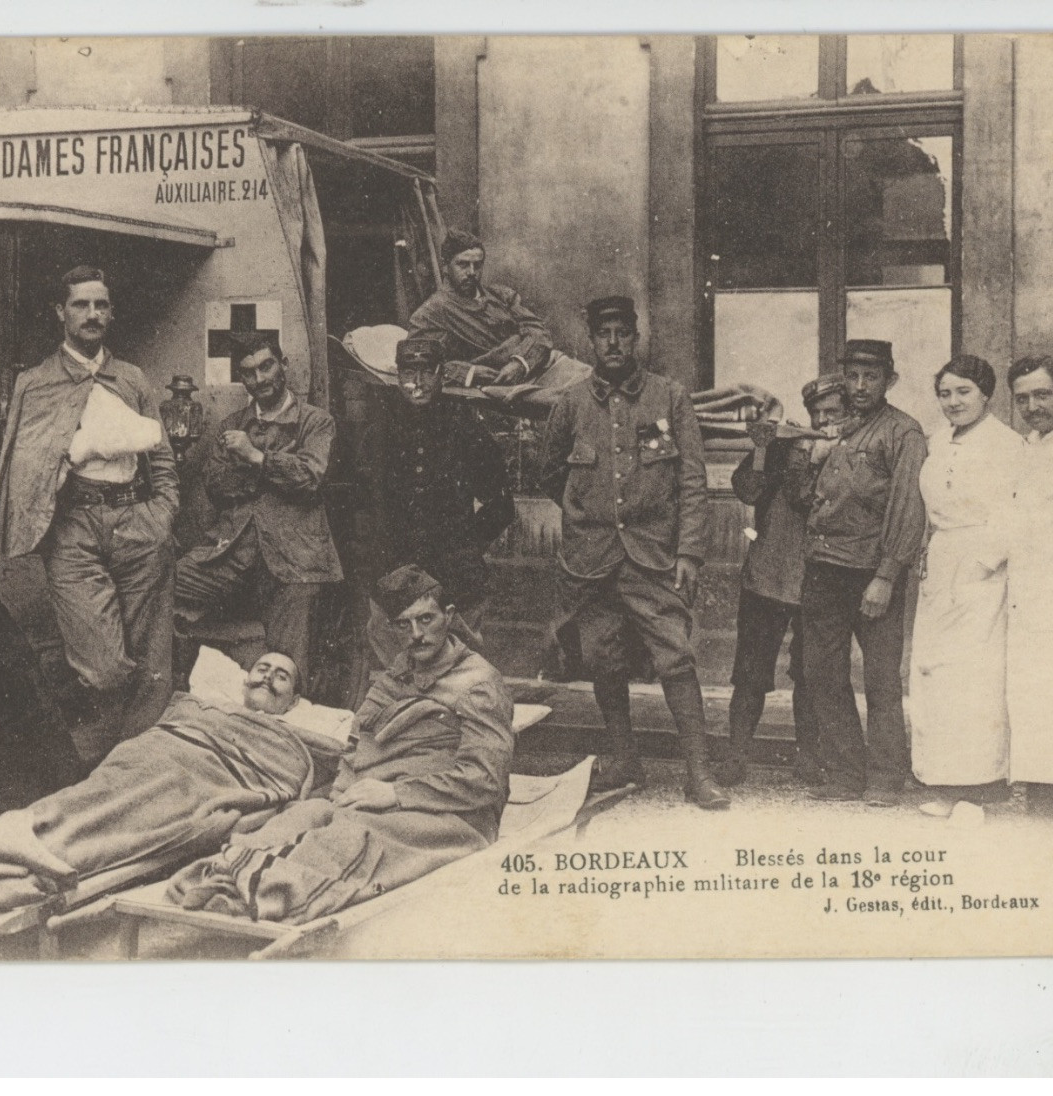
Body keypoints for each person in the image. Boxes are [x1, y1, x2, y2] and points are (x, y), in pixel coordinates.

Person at [0, 652, 348, 925]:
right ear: (244, 680)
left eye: (281, 675)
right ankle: (17, 838)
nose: (268, 677)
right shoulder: (203, 707)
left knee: (144, 807)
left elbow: (284, 784)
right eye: (261, 668)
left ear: (294, 700)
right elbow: (162, 731)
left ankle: (10, 852)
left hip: (199, 778)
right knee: (91, 795)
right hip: (157, 752)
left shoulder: (290, 740)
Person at [167, 565, 516, 923]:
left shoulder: (478, 682)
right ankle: (227, 874)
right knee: (300, 816)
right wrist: (342, 792)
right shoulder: (395, 677)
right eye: (403, 624)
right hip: (373, 799)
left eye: (426, 619)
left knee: (350, 837)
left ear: (449, 616)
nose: (416, 634)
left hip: (452, 816)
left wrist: (394, 794)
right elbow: (357, 743)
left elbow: (485, 780)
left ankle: (265, 891)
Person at [538, 296, 729, 809]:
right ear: (592, 342)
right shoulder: (572, 403)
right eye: (605, 335)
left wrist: (688, 552)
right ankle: (625, 759)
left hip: (654, 558)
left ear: (636, 338)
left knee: (677, 659)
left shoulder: (669, 397)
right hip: (592, 561)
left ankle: (699, 772)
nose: (614, 343)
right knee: (603, 659)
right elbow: (550, 471)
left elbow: (692, 481)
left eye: (623, 333)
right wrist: (588, 515)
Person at [0, 265, 179, 761]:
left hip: (139, 524)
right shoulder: (37, 382)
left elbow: (160, 456)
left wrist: (163, 514)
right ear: (60, 313)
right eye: (81, 305)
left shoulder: (131, 378)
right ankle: (93, 759)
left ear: (110, 312)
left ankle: (135, 773)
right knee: (106, 666)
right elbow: (21, 464)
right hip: (74, 530)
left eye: (101, 305)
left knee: (151, 659)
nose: (92, 315)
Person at [798, 339, 928, 806]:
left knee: (880, 679)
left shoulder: (902, 433)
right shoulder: (834, 429)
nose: (859, 386)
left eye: (870, 377)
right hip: (823, 570)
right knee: (822, 673)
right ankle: (847, 774)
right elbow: (806, 497)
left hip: (871, 573)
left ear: (889, 380)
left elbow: (908, 508)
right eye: (852, 376)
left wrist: (887, 575)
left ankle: (887, 778)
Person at [174, 332, 343, 681]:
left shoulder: (316, 421)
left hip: (295, 560)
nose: (260, 379)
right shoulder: (231, 425)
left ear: (284, 365)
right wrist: (274, 471)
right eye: (249, 372)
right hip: (231, 555)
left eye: (267, 366)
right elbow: (217, 487)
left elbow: (310, 477)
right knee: (163, 583)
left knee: (288, 668)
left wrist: (254, 457)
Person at [713, 375, 847, 788]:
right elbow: (748, 491)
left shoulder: (850, 452)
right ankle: (736, 758)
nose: (823, 420)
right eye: (817, 413)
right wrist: (759, 448)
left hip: (819, 582)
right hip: (768, 578)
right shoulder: (780, 445)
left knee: (811, 676)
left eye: (833, 412)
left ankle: (809, 759)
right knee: (750, 675)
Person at [909, 355, 1024, 818]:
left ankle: (981, 789)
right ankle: (943, 782)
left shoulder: (1007, 444)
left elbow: (1016, 509)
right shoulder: (937, 442)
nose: (953, 402)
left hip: (982, 567)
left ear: (985, 395)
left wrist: (983, 561)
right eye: (945, 393)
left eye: (963, 392)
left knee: (976, 677)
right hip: (941, 560)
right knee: (935, 672)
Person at [355, 332, 515, 663]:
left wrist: (467, 544)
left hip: (453, 575)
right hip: (393, 572)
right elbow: (358, 505)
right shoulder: (378, 432)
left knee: (459, 670)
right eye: (408, 373)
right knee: (398, 669)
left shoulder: (464, 427)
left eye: (427, 372)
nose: (418, 382)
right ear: (397, 376)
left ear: (441, 374)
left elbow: (501, 503)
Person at [1005, 355, 1053, 812]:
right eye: (1022, 398)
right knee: (1035, 697)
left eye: (1042, 394)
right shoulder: (1029, 446)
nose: (1032, 406)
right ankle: (1045, 800)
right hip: (1030, 595)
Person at [406, 229, 590, 397]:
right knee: (576, 401)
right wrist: (470, 372)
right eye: (463, 265)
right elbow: (418, 366)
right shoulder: (430, 313)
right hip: (503, 385)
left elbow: (538, 332)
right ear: (446, 267)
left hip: (540, 364)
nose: (472, 272)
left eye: (477, 265)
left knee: (594, 382)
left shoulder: (502, 295)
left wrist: (520, 363)